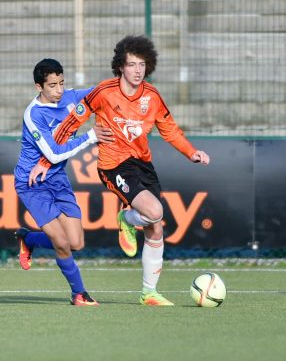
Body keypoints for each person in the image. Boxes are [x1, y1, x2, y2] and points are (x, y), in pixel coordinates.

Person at [31, 35, 210, 306]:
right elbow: (71, 123)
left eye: (142, 64)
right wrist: (45, 161)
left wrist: (191, 152)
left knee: (155, 229)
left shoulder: (152, 96)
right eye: (132, 64)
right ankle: (127, 219)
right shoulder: (104, 92)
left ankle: (148, 292)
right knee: (155, 212)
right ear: (120, 67)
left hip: (142, 164)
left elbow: (169, 129)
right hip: (113, 165)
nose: (138, 70)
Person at [15, 58, 113, 306]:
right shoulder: (33, 115)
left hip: (56, 179)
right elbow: (54, 153)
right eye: (52, 85)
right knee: (61, 242)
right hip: (32, 182)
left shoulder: (70, 97)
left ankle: (28, 239)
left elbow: (102, 92)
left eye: (61, 83)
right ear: (39, 87)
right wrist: (91, 136)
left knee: (76, 243)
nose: (58, 90)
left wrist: (126, 78)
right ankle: (79, 293)